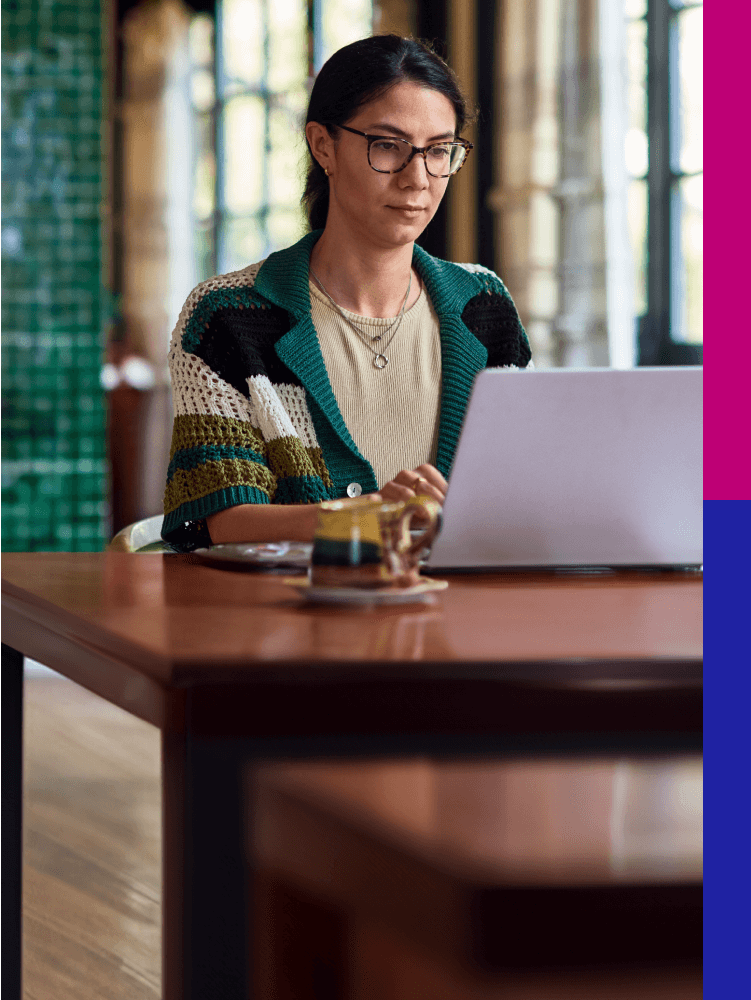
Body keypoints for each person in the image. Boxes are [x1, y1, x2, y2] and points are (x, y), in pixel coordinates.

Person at [162, 34, 531, 549]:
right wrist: (368, 515)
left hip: (462, 620)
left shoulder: (484, 307)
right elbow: (226, 520)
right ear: (323, 146)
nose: (418, 178)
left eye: (440, 151)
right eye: (388, 146)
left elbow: (520, 492)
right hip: (291, 619)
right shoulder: (228, 316)